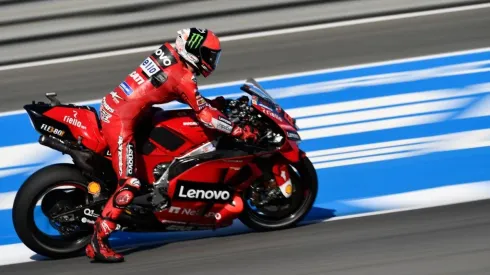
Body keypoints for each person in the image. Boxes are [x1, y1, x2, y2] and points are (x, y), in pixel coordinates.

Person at [85, 27, 259, 263]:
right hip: (120, 120)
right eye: (208, 55)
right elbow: (203, 113)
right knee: (130, 182)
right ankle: (98, 241)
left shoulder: (168, 52)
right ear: (193, 52)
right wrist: (239, 130)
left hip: (131, 110)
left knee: (172, 127)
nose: (211, 61)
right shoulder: (183, 77)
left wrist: (214, 104)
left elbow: (182, 94)